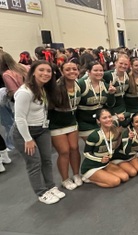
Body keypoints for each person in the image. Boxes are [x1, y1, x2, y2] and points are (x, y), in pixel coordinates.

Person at [13, 60, 66, 204]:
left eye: (48, 71)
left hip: (42, 129)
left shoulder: (43, 88)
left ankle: (50, 186)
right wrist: (27, 139)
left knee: (47, 160)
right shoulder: (25, 92)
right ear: (33, 72)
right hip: (25, 132)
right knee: (34, 163)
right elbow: (20, 118)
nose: (45, 73)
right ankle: (41, 192)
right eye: (41, 70)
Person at [49, 62, 83, 190]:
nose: (72, 71)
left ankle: (76, 174)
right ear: (62, 72)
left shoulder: (78, 84)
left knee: (74, 148)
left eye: (74, 69)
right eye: (67, 69)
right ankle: (65, 179)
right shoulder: (56, 87)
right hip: (57, 123)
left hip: (72, 121)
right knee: (64, 151)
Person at [81, 109, 129, 187]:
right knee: (116, 181)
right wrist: (100, 159)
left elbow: (128, 115)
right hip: (92, 166)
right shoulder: (94, 136)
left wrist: (122, 115)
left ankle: (103, 174)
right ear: (98, 121)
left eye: (110, 117)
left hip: (105, 164)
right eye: (104, 118)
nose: (108, 120)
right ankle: (88, 178)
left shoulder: (114, 127)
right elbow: (86, 153)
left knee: (125, 177)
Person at [77, 62, 116, 140]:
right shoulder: (81, 84)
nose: (99, 73)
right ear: (88, 72)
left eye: (101, 70)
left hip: (100, 120)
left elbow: (110, 104)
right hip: (84, 121)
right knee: (94, 143)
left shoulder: (105, 85)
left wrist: (111, 94)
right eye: (96, 70)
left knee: (106, 143)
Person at [0, 51, 28, 150]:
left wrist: (7, 93)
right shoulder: (23, 67)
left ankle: (11, 145)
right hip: (30, 98)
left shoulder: (6, 74)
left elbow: (13, 92)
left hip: (16, 101)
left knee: (11, 123)